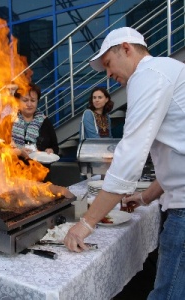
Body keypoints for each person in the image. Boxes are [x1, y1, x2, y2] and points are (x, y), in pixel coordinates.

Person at [64, 27, 185, 299]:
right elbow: (176, 161)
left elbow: (129, 156)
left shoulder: (148, 75)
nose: (108, 75)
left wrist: (86, 223)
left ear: (127, 49)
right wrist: (143, 198)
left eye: (108, 63)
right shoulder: (165, 71)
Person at [2, 83, 59, 159]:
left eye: (33, 101)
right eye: (25, 100)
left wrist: (51, 150)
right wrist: (17, 152)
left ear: (37, 102)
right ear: (18, 102)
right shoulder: (8, 120)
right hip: (14, 168)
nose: (29, 104)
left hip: (40, 168)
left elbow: (55, 147)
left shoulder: (45, 122)